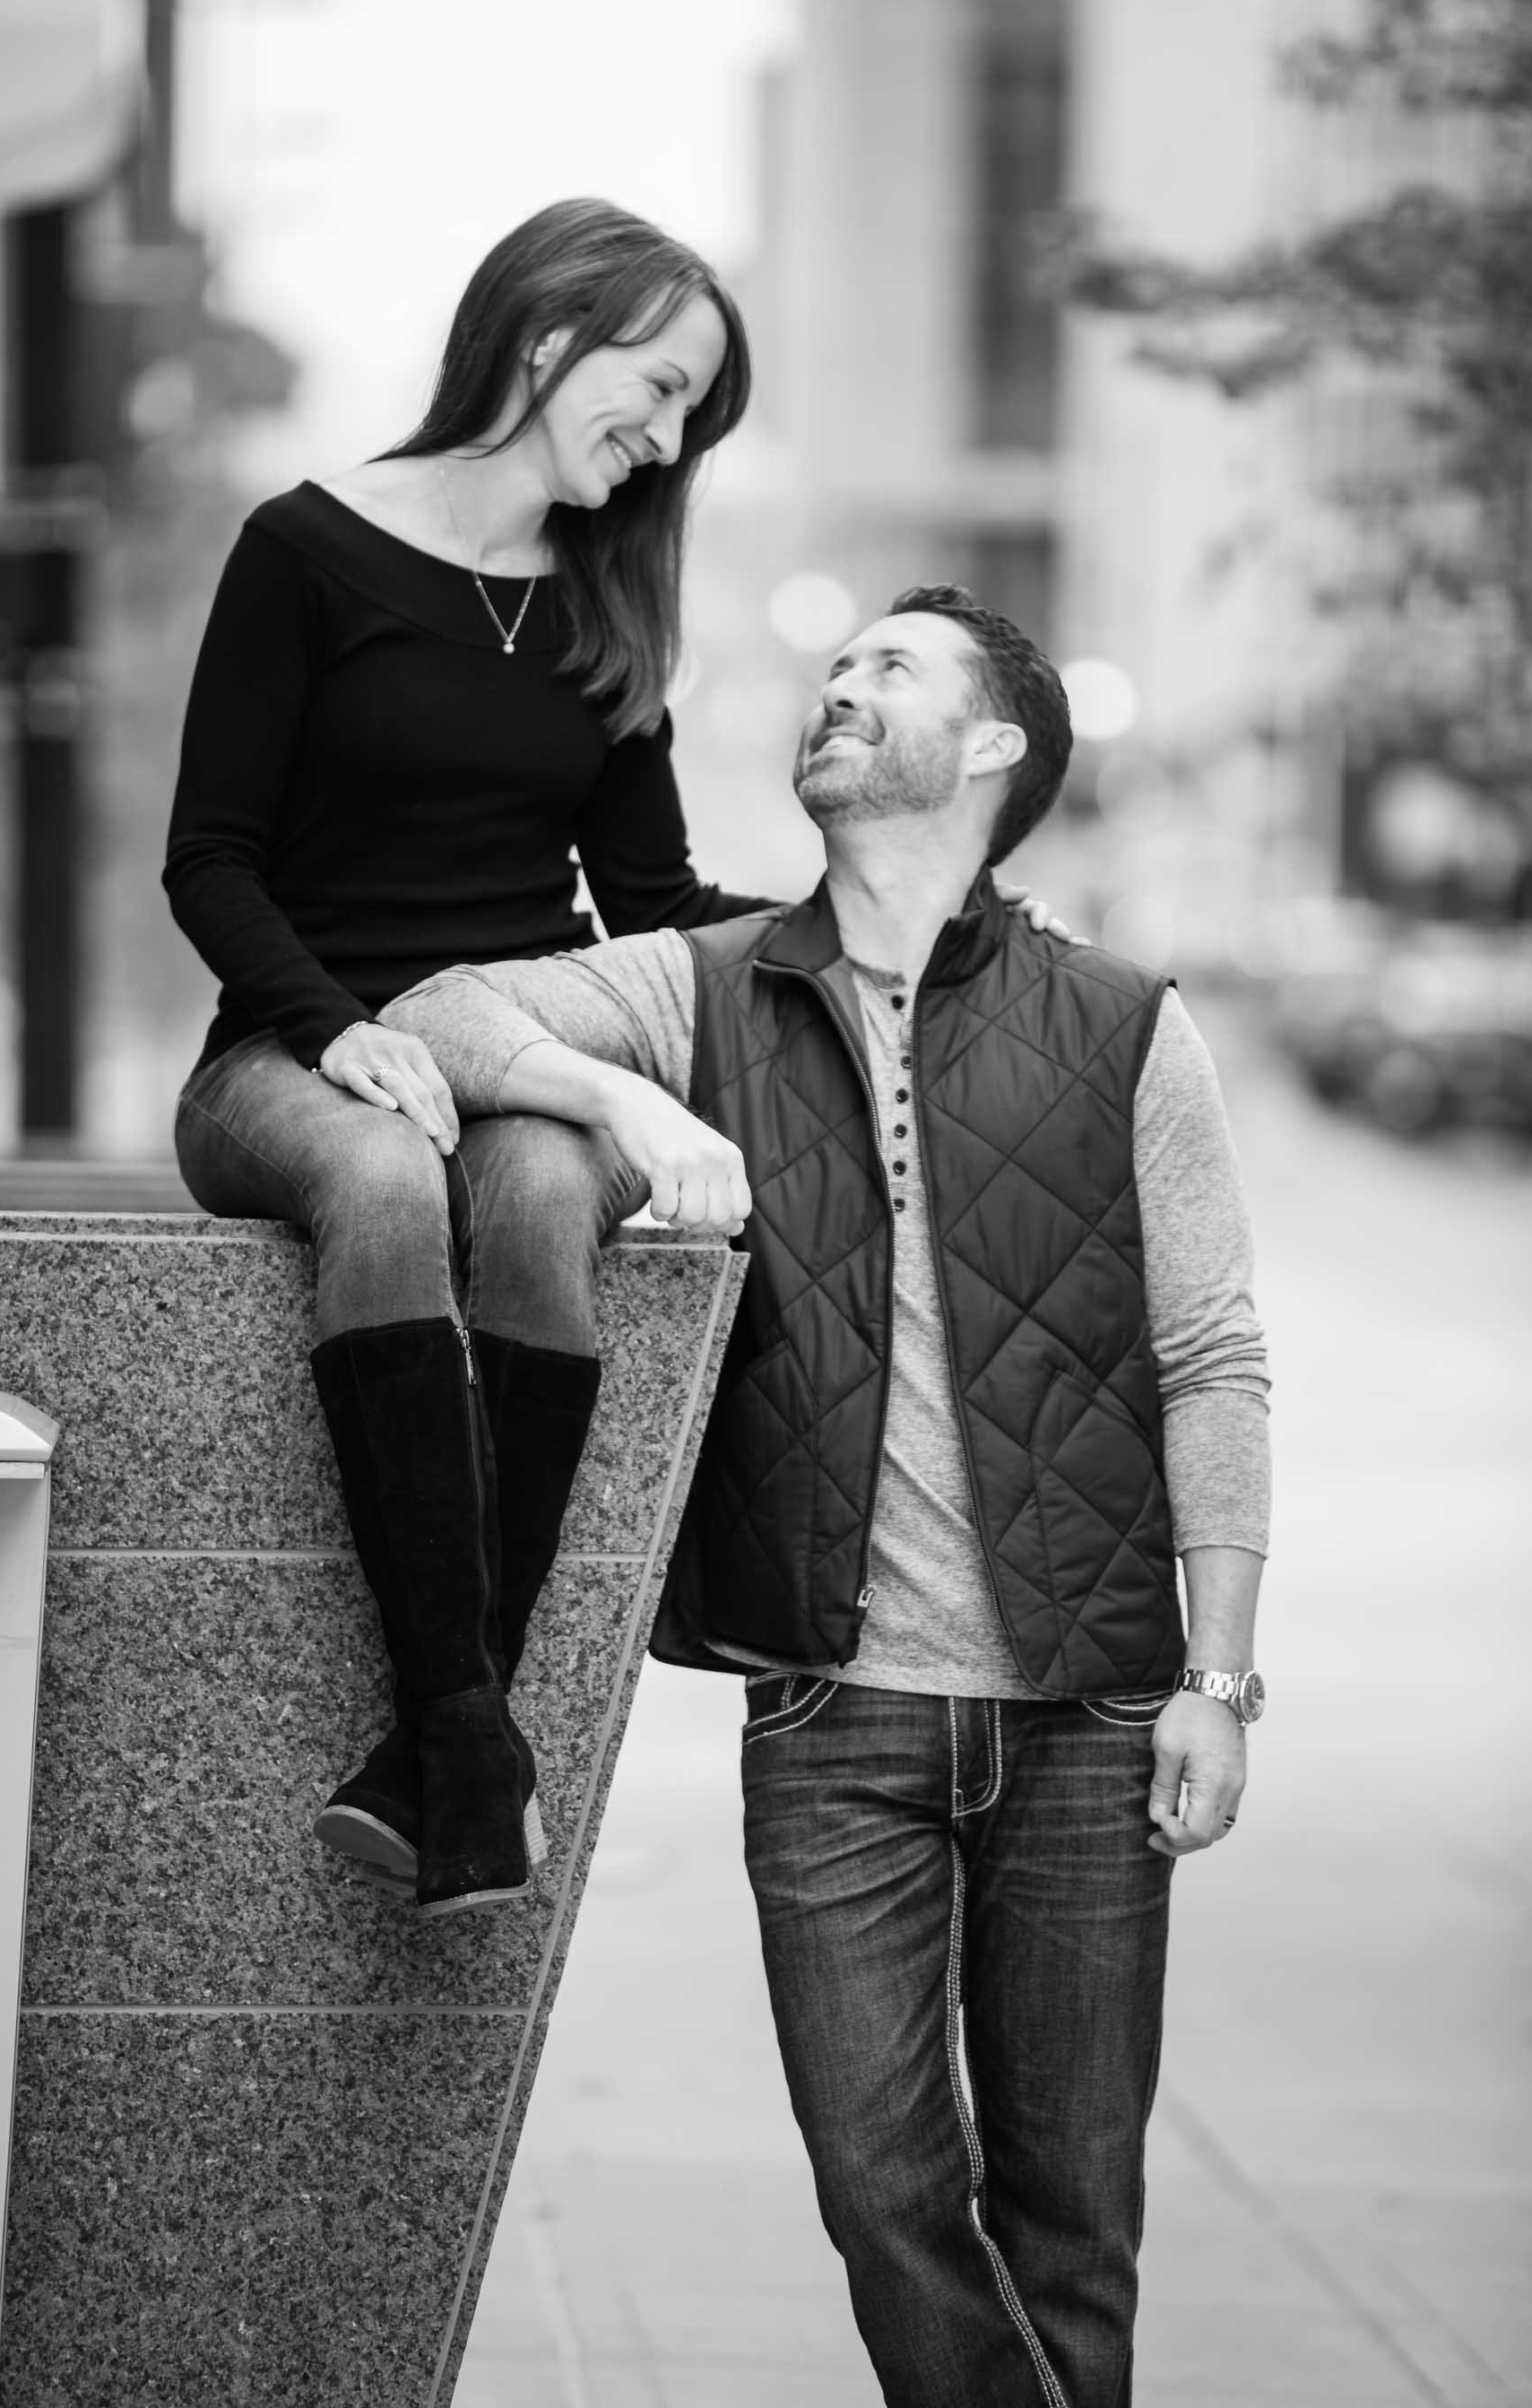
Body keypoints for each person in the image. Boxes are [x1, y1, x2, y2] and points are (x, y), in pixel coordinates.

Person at [385, 585, 1271, 2407]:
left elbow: (1212, 1360)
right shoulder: (700, 987)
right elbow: (441, 1012)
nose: (839, 687)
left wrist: (1222, 1676)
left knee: (1070, 2213)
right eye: (834, 667)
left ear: (998, 743)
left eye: (890, 669)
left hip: (1092, 1712)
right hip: (834, 1709)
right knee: (883, 2190)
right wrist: (618, 1107)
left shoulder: (1119, 1026)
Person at [163, 193, 1061, 1922]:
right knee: (378, 1175)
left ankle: (446, 1761)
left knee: (544, 1187)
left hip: (521, 1060)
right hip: (287, 1056)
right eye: (655, 391)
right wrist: (341, 1031)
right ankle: (469, 1736)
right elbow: (210, 857)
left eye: (687, 421)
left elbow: (650, 900)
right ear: (546, 335)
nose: (661, 439)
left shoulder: (603, 609)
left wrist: (899, 909)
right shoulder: (305, 548)